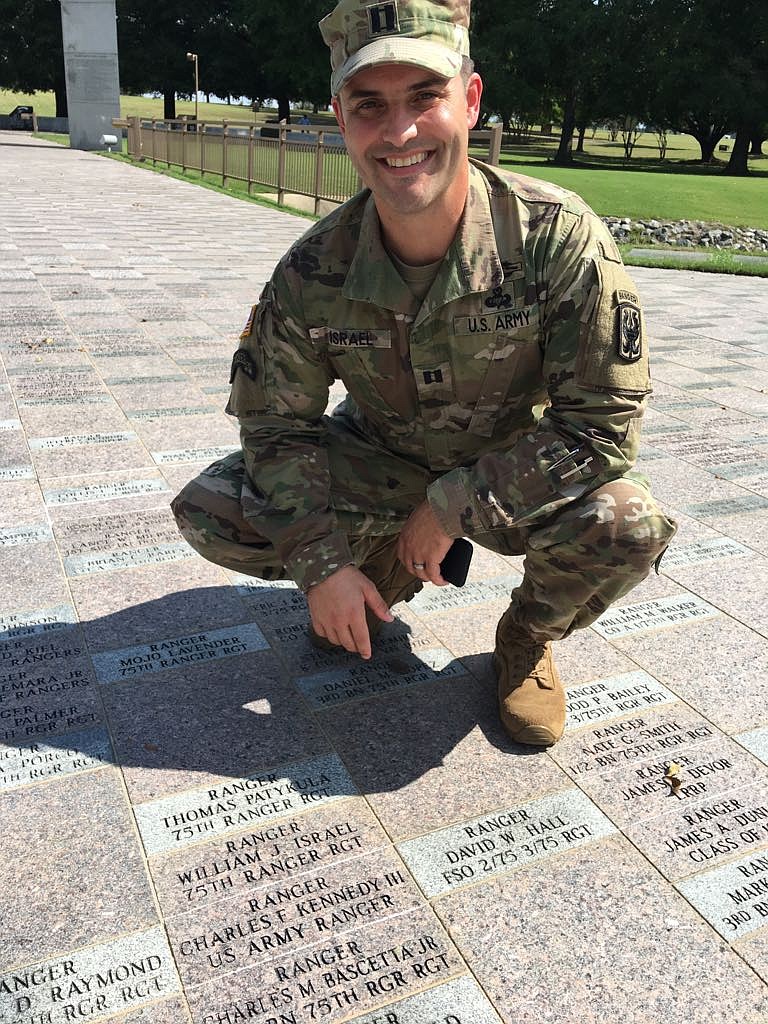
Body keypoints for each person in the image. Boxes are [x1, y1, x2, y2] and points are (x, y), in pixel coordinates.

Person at [171, 0, 676, 747]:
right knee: (215, 506)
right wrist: (322, 568)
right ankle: (375, 578)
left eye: (425, 98)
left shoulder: (556, 240)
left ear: (469, 101)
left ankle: (525, 639)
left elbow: (600, 428)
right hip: (380, 458)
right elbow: (278, 427)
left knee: (626, 523)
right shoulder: (313, 270)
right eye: (370, 105)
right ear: (340, 116)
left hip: (509, 468)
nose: (399, 132)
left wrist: (452, 508)